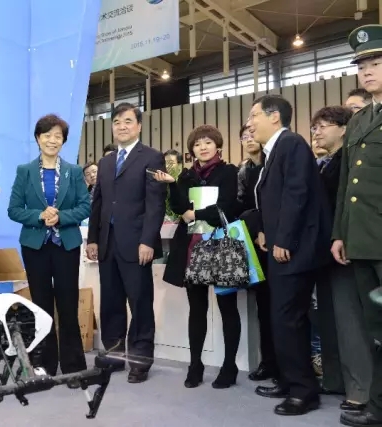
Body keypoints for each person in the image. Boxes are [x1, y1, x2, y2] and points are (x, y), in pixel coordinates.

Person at [246, 94, 332, 416]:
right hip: (281, 246)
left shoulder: (291, 144)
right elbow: (275, 200)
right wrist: (266, 231)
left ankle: (303, 392)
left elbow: (297, 193)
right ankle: (287, 379)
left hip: (294, 249)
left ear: (274, 117)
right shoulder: (274, 151)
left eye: (254, 116)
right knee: (282, 318)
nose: (249, 123)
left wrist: (284, 239)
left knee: (288, 318)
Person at [86, 102, 166, 383]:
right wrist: (93, 238)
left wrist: (148, 241)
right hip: (107, 244)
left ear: (139, 126)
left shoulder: (152, 157)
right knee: (111, 304)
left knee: (140, 303)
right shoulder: (106, 162)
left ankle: (140, 362)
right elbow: (98, 203)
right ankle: (114, 356)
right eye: (117, 121)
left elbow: (155, 204)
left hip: (136, 244)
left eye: (128, 121)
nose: (122, 126)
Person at [8, 114, 90, 385]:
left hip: (66, 246)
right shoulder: (25, 171)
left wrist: (62, 217)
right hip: (35, 247)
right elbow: (14, 210)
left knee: (68, 305)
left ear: (63, 141)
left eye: (58, 136)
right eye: (47, 135)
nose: (52, 140)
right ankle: (44, 364)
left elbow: (85, 206)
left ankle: (73, 367)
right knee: (40, 307)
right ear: (38, 138)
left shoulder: (74, 172)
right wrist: (39, 216)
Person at [158, 125, 241, 389]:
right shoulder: (186, 175)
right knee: (197, 309)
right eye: (197, 144)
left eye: (207, 142)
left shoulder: (229, 172)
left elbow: (228, 205)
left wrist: (196, 214)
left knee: (228, 308)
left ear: (218, 145)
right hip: (192, 247)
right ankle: (195, 364)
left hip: (221, 245)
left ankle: (229, 366)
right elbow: (179, 207)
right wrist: (172, 186)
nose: (202, 147)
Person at [332, 25, 382, 427]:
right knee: (376, 330)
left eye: (377, 63)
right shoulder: (360, 120)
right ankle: (378, 406)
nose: (367, 71)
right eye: (362, 65)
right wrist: (339, 233)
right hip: (362, 240)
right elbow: (346, 186)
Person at [312, 105, 373, 412]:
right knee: (329, 321)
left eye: (324, 126)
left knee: (350, 323)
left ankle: (360, 389)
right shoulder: (324, 164)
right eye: (315, 127)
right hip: (324, 250)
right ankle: (335, 379)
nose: (317, 132)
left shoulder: (344, 163)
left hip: (347, 247)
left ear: (344, 129)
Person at [236, 124, 278, 383]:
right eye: (244, 136)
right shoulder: (243, 171)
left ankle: (285, 364)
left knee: (280, 306)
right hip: (253, 242)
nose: (249, 139)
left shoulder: (272, 163)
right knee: (262, 305)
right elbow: (240, 205)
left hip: (275, 240)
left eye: (252, 134)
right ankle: (268, 361)